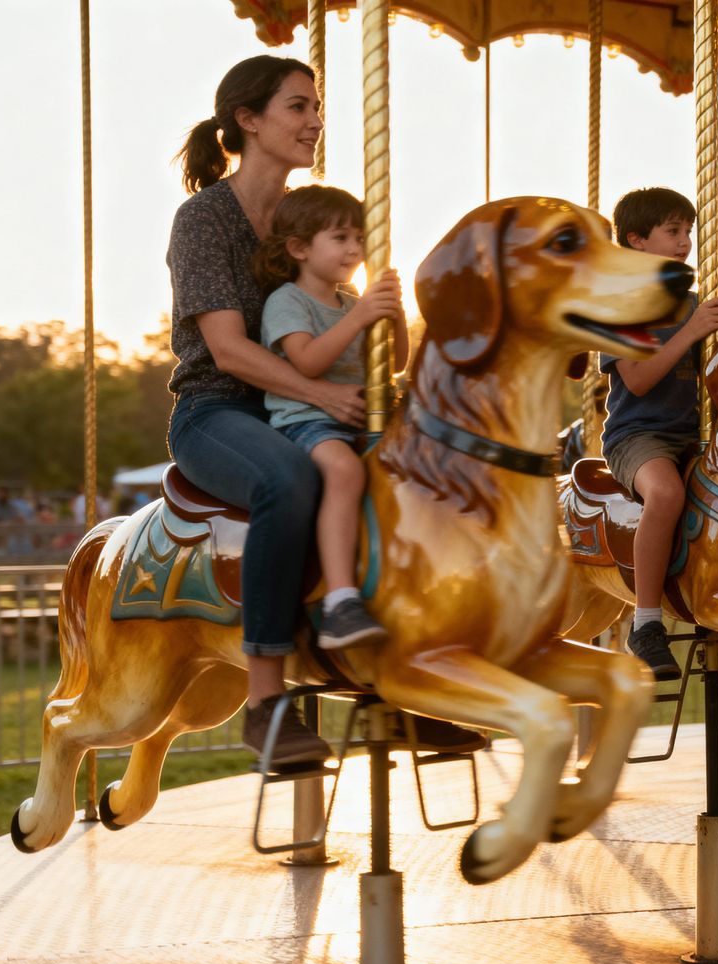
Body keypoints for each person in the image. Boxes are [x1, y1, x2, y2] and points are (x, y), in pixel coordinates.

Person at [166, 55, 481, 762]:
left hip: (306, 405)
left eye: (316, 107)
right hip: (219, 408)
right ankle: (267, 702)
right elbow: (227, 348)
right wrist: (322, 393)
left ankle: (405, 679)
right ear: (247, 121)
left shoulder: (315, 218)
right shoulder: (206, 218)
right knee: (289, 480)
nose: (315, 121)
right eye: (298, 107)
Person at [252, 185, 404, 649]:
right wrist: (360, 319)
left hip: (359, 420)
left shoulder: (352, 300)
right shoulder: (288, 301)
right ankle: (340, 600)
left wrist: (394, 314)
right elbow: (308, 363)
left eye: (359, 237)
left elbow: (395, 361)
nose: (355, 249)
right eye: (340, 238)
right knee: (342, 470)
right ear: (299, 248)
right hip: (307, 422)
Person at [598, 187, 718, 678]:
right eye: (672, 231)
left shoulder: (695, 303)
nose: (685, 242)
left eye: (689, 231)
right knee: (668, 493)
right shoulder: (621, 304)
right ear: (636, 241)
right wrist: (693, 331)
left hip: (693, 432)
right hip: (638, 435)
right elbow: (636, 378)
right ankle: (647, 622)